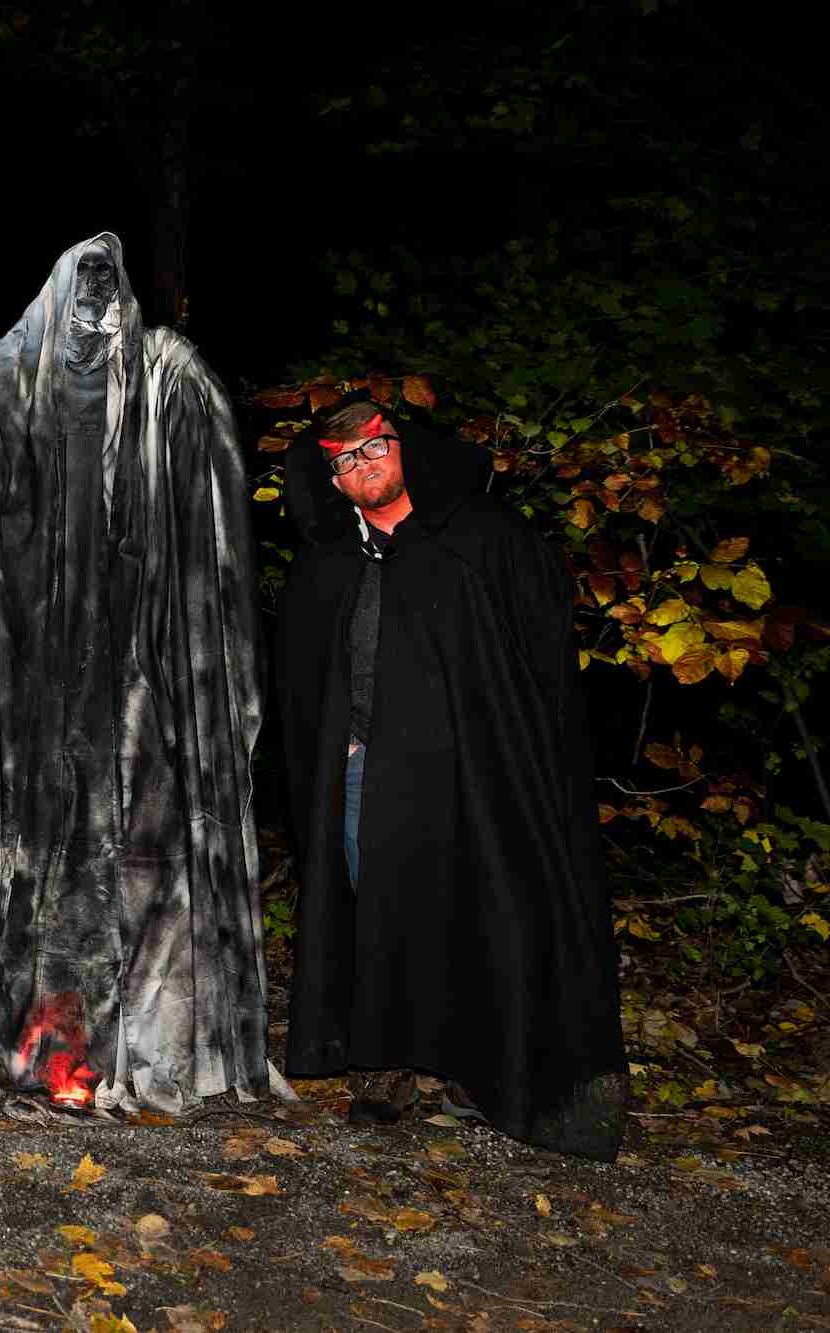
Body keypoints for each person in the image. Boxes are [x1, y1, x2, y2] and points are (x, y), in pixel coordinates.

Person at [0, 233, 283, 1113]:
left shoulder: (169, 381)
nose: (95, 322)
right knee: (32, 862)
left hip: (140, 683)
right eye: (82, 299)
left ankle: (139, 1043)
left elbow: (214, 537)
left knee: (142, 858)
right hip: (24, 693)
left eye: (111, 304)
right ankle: (41, 1044)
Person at [276, 396, 626, 1160]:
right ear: (330, 480)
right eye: (342, 461)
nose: (359, 468)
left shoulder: (480, 538)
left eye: (371, 450)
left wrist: (520, 744)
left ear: (406, 450)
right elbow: (303, 683)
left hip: (476, 764)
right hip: (366, 767)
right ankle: (385, 1062)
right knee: (375, 906)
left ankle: (477, 1063)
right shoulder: (328, 562)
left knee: (480, 902)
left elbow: (537, 650)